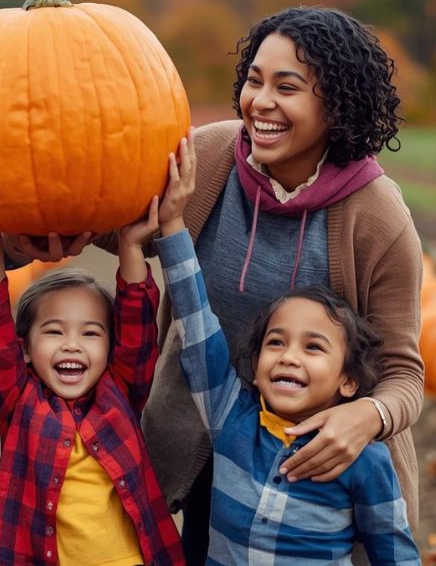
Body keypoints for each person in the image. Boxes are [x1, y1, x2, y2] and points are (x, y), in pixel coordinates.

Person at [118, 6, 424, 563]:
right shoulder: (207, 158)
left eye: (288, 87)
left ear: (338, 106)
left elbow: (404, 372)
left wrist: (368, 416)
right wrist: (28, 235)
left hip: (313, 466)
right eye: (254, 80)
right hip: (205, 441)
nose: (261, 102)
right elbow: (100, 206)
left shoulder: (377, 217)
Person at [150, 134, 419, 563]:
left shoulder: (364, 463)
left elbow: (395, 553)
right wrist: (173, 226)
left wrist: (375, 415)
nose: (289, 356)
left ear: (349, 380)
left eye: (313, 347)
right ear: (254, 367)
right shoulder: (229, 417)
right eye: (276, 342)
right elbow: (197, 324)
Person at [0, 185, 185, 565]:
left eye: (90, 333)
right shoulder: (18, 401)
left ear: (110, 347)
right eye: (54, 331)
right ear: (25, 347)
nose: (72, 345)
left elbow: (137, 315)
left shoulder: (121, 392)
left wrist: (130, 241)